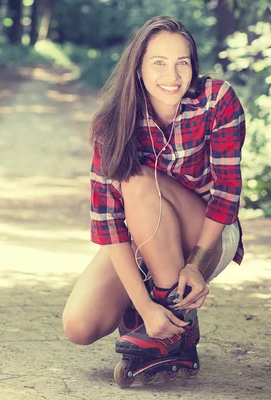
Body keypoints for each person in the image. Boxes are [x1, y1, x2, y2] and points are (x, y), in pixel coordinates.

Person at [61, 15, 246, 381]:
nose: (172, 75)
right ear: (138, 68)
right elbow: (109, 225)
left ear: (194, 65)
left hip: (208, 236)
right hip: (145, 239)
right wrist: (143, 307)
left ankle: (174, 322)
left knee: (138, 180)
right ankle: (154, 312)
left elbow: (226, 193)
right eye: (159, 62)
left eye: (182, 62)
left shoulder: (216, 101)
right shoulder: (112, 124)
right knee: (79, 326)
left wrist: (195, 264)